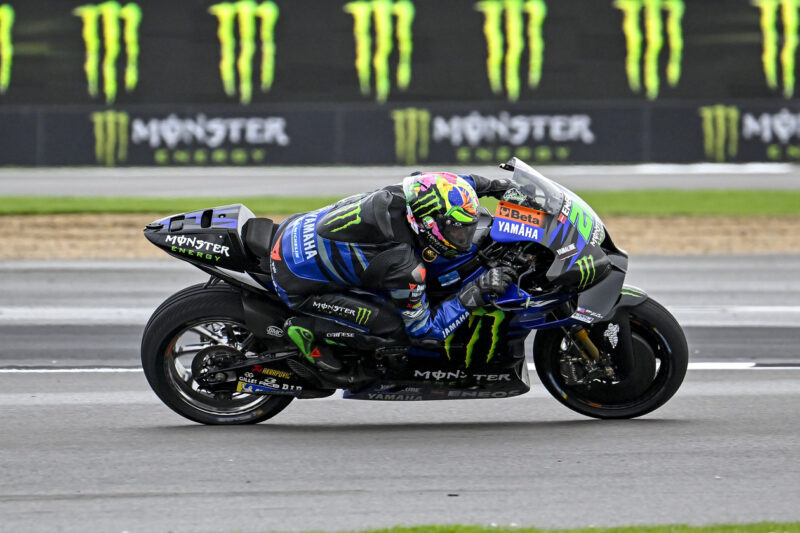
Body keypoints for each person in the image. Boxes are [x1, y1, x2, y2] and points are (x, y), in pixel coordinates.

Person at [269, 172, 514, 374]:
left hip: (293, 229)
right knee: (395, 330)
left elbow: (457, 184)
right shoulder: (403, 266)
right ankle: (307, 329)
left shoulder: (412, 190)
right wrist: (474, 292)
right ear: (429, 224)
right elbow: (425, 332)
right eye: (457, 231)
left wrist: (496, 186)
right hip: (296, 282)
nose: (464, 238)